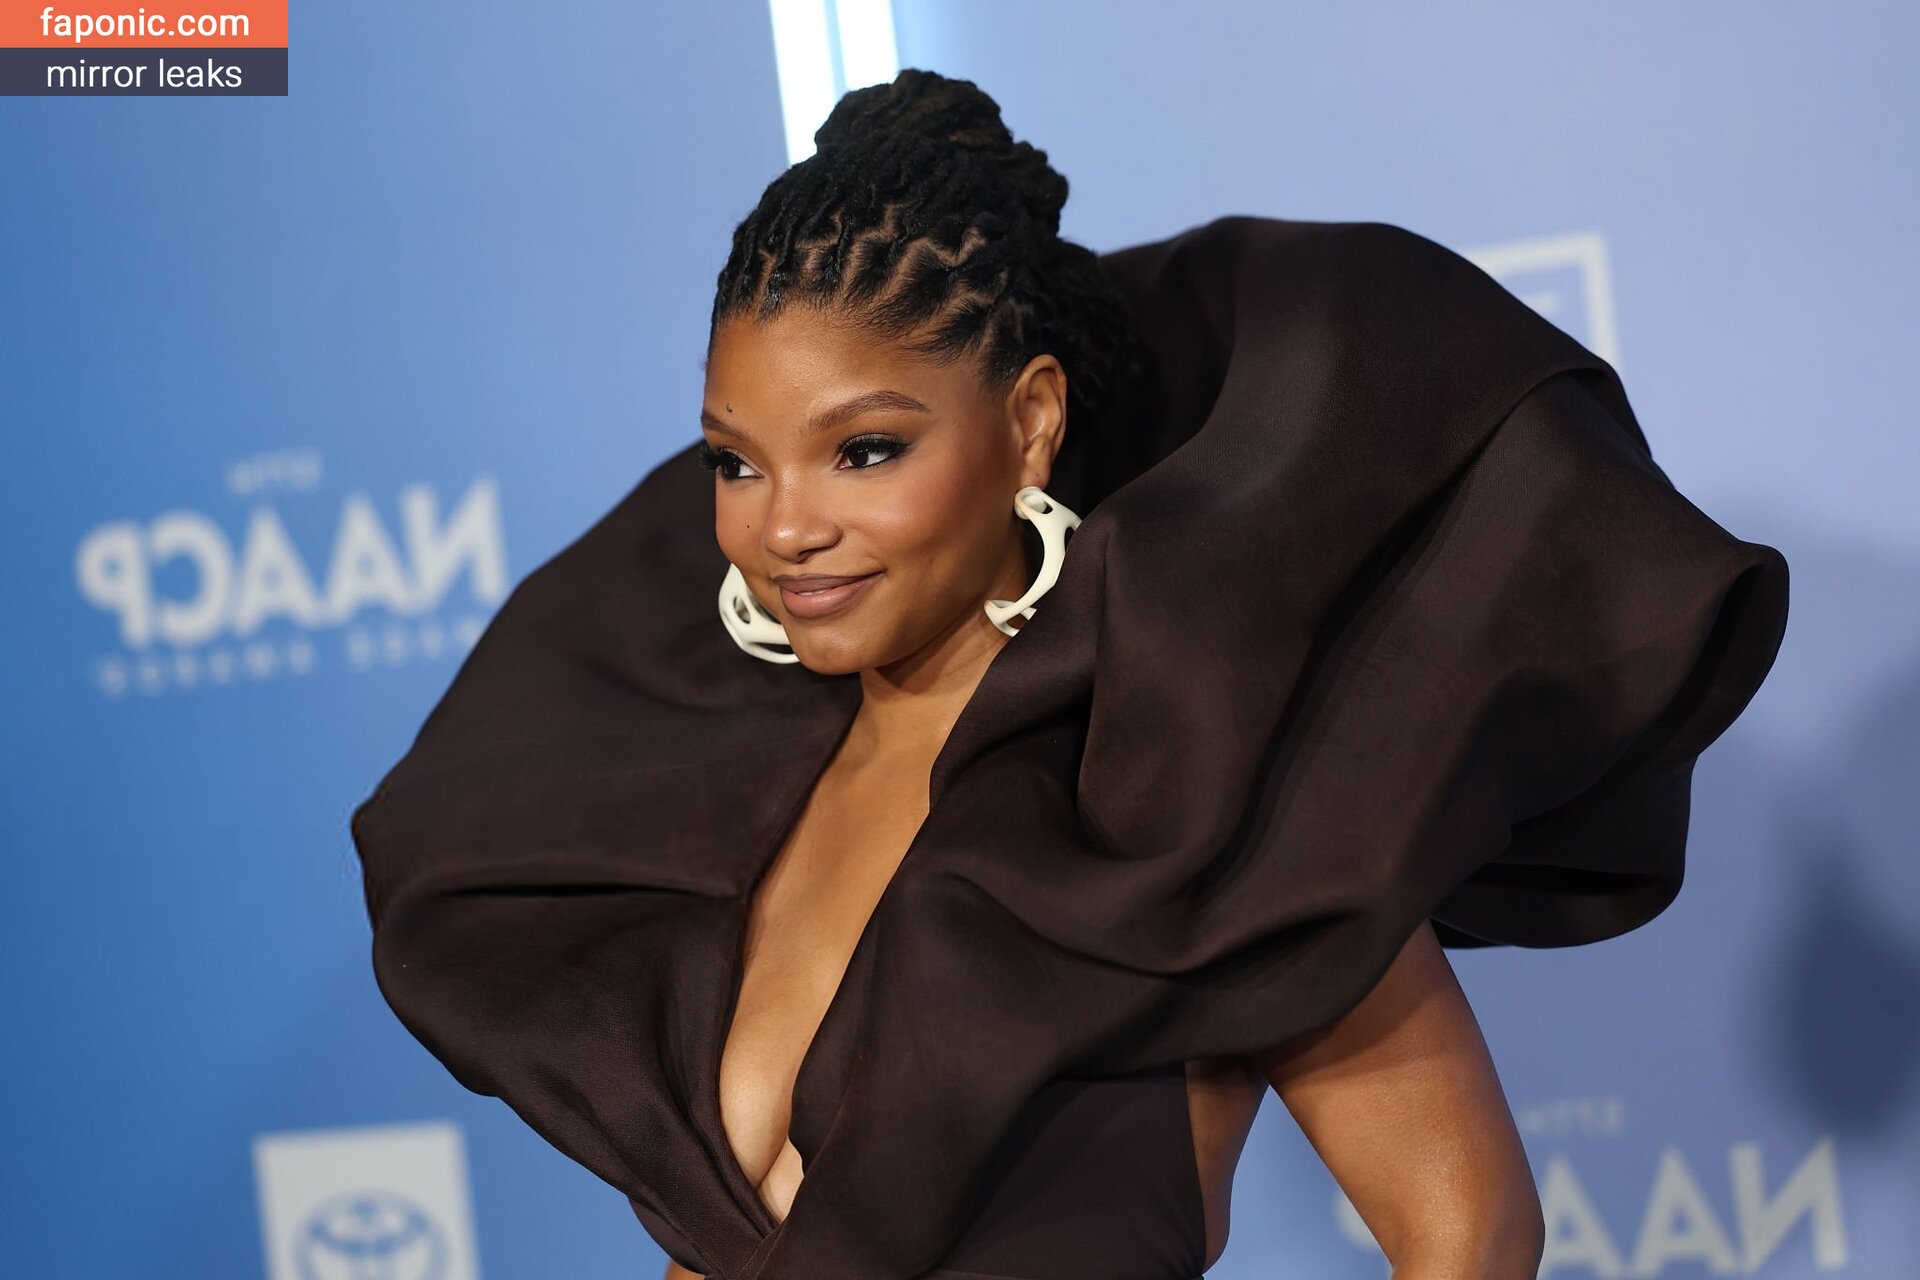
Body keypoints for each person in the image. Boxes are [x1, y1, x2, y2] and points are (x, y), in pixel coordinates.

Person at [349, 69, 1790, 1280]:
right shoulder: (720, 821)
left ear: (1030, 425)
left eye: (865, 450)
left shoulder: (1199, 779)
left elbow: (1466, 1228)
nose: (783, 526)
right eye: (735, 462)